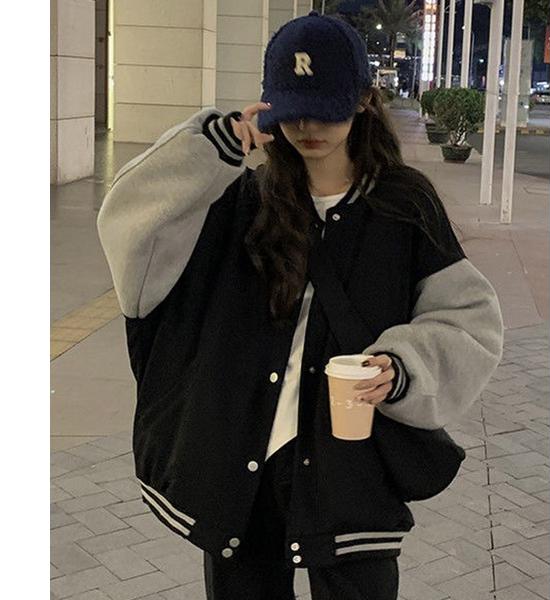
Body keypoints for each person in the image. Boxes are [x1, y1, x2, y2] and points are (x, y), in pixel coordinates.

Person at [97, 10, 504, 600]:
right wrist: (207, 149)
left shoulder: (402, 205)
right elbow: (129, 234)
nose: (308, 125)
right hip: (243, 467)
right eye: (293, 109)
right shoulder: (243, 200)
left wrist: (402, 366)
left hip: (352, 468)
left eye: (326, 108)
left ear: (363, 100)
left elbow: (470, 320)